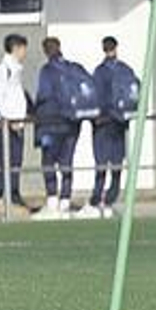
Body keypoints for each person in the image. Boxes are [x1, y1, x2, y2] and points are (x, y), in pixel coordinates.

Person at [33, 37, 99, 219]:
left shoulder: (47, 71)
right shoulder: (74, 68)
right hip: (72, 123)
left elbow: (44, 94)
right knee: (67, 161)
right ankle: (65, 200)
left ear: (45, 51)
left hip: (52, 122)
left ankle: (52, 199)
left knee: (48, 162)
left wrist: (35, 112)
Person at [89, 35, 139, 219]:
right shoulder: (125, 69)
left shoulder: (100, 71)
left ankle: (97, 200)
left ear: (103, 49)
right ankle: (110, 200)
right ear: (116, 48)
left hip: (104, 122)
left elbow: (96, 95)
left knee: (101, 162)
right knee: (117, 163)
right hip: (121, 122)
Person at [0, 32, 31, 216]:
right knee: (5, 160)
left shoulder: (16, 69)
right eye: (23, 49)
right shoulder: (2, 70)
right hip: (7, 125)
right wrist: (9, 119)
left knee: (16, 161)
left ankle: (14, 193)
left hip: (18, 124)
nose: (25, 53)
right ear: (16, 48)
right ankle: (1, 196)